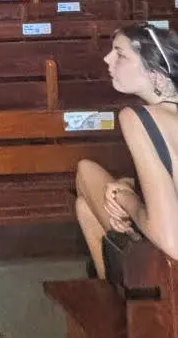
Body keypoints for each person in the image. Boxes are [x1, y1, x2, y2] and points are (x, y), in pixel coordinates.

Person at [76, 25, 178, 279]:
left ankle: (117, 296)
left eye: (120, 54)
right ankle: (109, 290)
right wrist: (128, 183)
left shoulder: (140, 118)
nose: (107, 59)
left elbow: (171, 240)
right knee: (84, 202)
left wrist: (126, 199)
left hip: (169, 269)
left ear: (155, 72)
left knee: (85, 173)